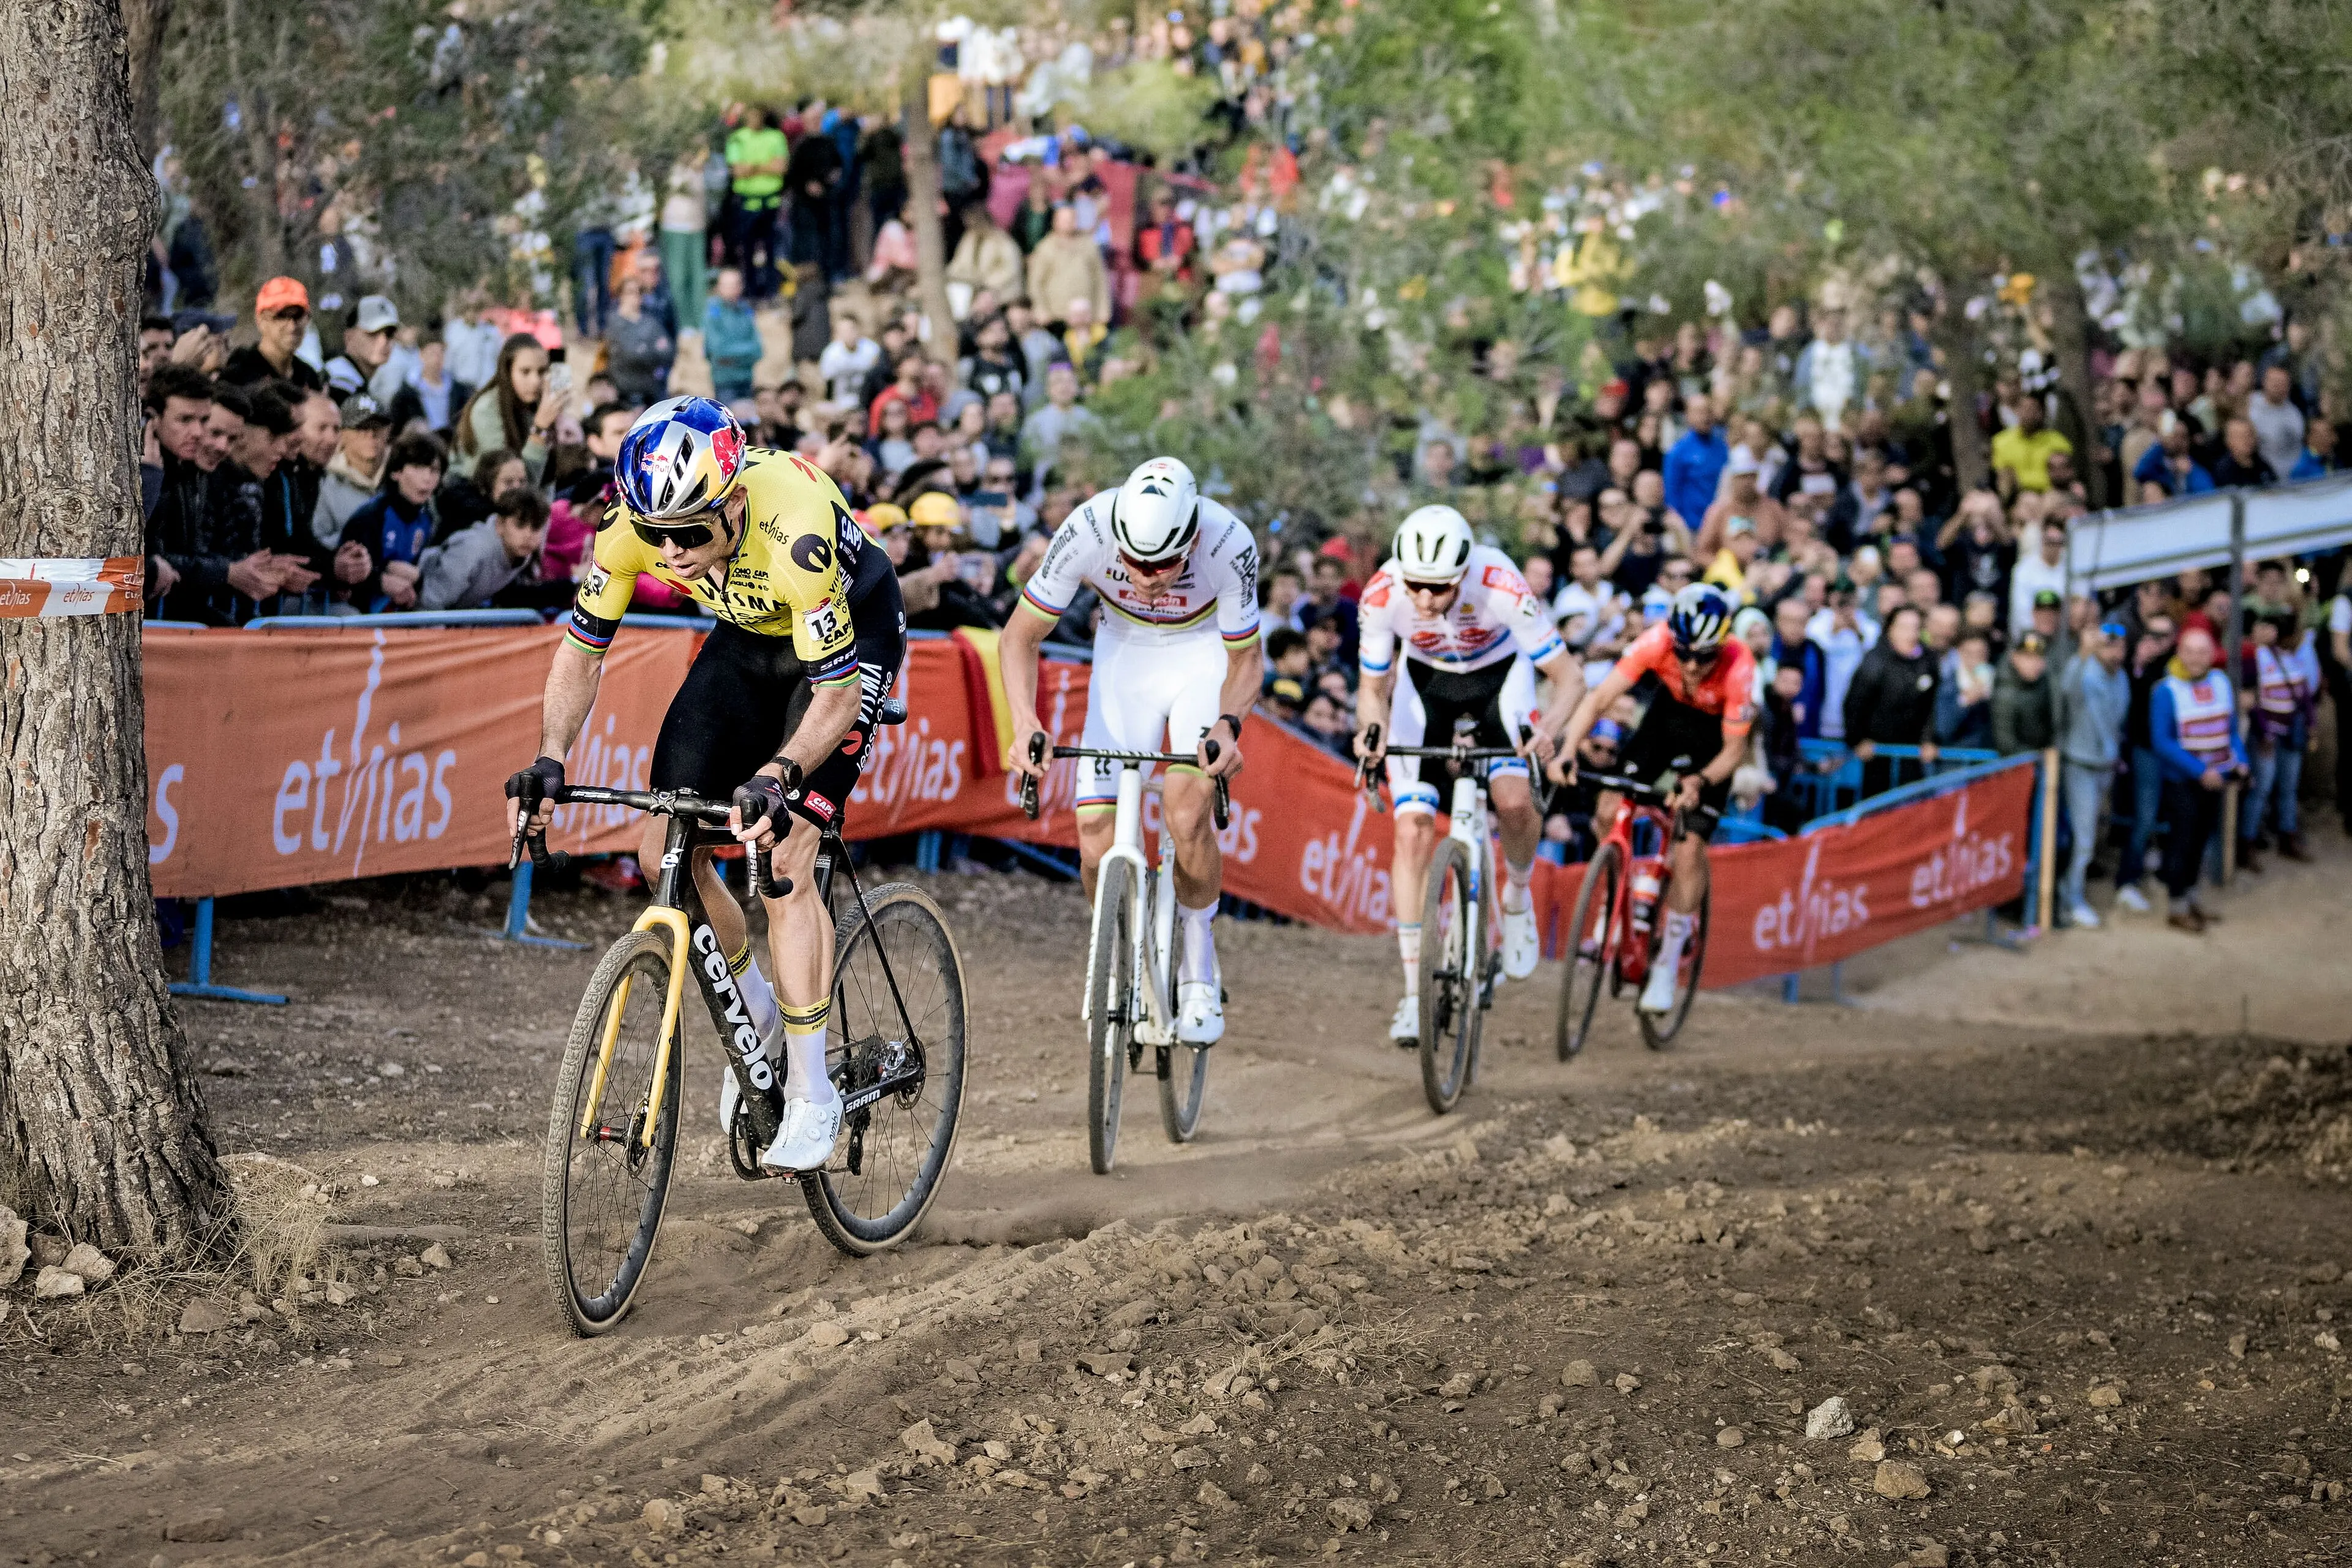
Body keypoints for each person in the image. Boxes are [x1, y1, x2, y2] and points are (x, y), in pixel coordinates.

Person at [510, 396, 907, 1173]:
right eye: (657, 535)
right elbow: (581, 653)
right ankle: (757, 1000)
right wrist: (551, 755)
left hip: (848, 640)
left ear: (733, 503)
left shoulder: (793, 529)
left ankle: (814, 1085)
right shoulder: (629, 531)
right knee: (663, 839)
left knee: (787, 855)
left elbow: (831, 694)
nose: (671, 551)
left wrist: (778, 774)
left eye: (690, 531)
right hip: (750, 638)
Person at [1001, 459, 1264, 1046]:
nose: (1146, 578)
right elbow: (1021, 635)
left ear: (1191, 539)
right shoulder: (1088, 528)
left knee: (1187, 810)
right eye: (1134, 562)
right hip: (1124, 656)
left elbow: (1247, 660)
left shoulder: (1228, 542)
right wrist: (1025, 723)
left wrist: (1227, 724)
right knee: (1094, 840)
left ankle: (1198, 966)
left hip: (1201, 657)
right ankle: (1118, 955)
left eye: (1165, 563)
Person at [1352, 507, 1585, 1041]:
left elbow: (1569, 677)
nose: (1425, 600)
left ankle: (1518, 893)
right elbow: (1372, 687)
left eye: (1438, 589)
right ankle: (1413, 994)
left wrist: (1548, 727)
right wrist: (1373, 730)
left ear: (1463, 576)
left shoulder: (1500, 582)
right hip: (1424, 686)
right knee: (1410, 832)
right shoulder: (1384, 593)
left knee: (1512, 801)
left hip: (1499, 681)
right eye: (1416, 585)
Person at [1555, 584, 1751, 1017]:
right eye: (1685, 654)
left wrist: (1699, 780)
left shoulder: (1740, 666)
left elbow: (1735, 752)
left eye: (1705, 656)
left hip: (1713, 742)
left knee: (1689, 850)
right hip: (1666, 721)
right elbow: (1599, 698)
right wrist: (1568, 750)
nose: (1693, 665)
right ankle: (1611, 903)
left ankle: (1666, 962)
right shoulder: (1655, 641)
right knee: (1609, 806)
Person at [2147, 626, 2247, 933]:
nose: (2195, 658)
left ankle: (2191, 898)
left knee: (2201, 840)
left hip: (2216, 778)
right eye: (2189, 651)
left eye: (2202, 652)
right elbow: (2161, 741)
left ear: (2213, 654)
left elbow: (2229, 730)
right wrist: (2200, 771)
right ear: (2179, 653)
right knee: (2182, 842)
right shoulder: (2166, 690)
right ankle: (2177, 906)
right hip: (2184, 781)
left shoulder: (2220, 682)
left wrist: (2241, 761)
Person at [2055, 622, 2131, 929]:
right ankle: (2070, 898)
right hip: (2080, 766)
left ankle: (2072, 892)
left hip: (2105, 767)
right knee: (2083, 839)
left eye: (2118, 646)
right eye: (2108, 645)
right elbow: (2067, 690)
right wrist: (2081, 656)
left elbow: (2116, 721)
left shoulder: (2122, 676)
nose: (2114, 652)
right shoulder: (2084, 672)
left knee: (2094, 836)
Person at [2239, 609, 2318, 867]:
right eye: (2263, 626)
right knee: (2260, 789)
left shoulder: (2289, 657)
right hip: (2266, 736)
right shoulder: (2251, 658)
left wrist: (2312, 724)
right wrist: (2265, 732)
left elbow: (2303, 693)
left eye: (2272, 627)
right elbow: (2252, 701)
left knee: (2289, 788)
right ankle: (2247, 844)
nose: (2268, 632)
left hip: (2290, 733)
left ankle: (2288, 837)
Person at [1841, 603, 1940, 796]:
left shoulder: (1928, 662)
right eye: (1904, 627)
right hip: (1876, 753)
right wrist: (1858, 740)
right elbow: (1854, 704)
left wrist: (1929, 739)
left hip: (1911, 753)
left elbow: (1931, 706)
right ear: (1890, 629)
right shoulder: (1874, 662)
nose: (1911, 634)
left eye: (1916, 628)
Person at [418, 486, 556, 610]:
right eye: (520, 526)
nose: (528, 536)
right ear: (500, 524)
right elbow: (430, 602)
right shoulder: (472, 549)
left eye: (536, 528)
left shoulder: (523, 552)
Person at [452, 333, 560, 483]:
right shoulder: (487, 409)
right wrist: (540, 429)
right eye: (525, 372)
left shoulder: (537, 406)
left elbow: (547, 478)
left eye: (542, 372)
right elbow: (513, 483)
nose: (535, 381)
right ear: (508, 372)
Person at [221, 277, 325, 393]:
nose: (292, 326)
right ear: (261, 321)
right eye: (281, 316)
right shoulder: (238, 373)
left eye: (298, 316)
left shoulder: (309, 377)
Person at [325, 295, 402, 408]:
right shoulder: (339, 382)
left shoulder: (356, 379)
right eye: (373, 333)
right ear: (349, 337)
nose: (383, 341)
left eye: (389, 334)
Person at [703, 267, 764, 404]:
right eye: (727, 285)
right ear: (719, 287)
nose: (733, 289)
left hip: (747, 380)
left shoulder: (746, 311)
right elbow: (717, 350)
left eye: (736, 284)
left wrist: (732, 357)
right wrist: (745, 355)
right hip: (724, 381)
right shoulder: (713, 312)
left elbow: (758, 350)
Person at [1991, 630, 2055, 756]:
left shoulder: (2044, 683)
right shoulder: (2005, 692)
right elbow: (2006, 745)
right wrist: (2040, 757)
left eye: (2039, 657)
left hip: (2036, 760)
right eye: (2028, 657)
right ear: (2015, 657)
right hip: (2016, 767)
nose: (2034, 664)